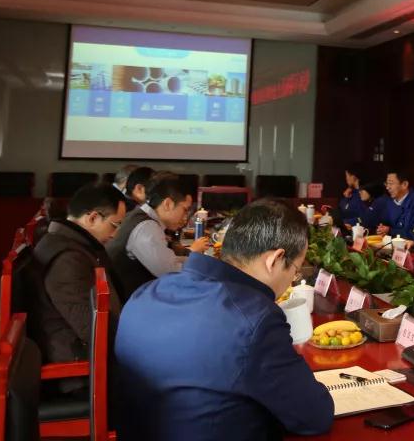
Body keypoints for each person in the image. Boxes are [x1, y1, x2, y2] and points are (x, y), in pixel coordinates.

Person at [114, 200, 334, 440]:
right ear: (275, 259)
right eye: (295, 269)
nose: (292, 278)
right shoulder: (255, 317)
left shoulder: (145, 293)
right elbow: (314, 416)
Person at [30, 182, 125, 392]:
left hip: (85, 353)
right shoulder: (68, 258)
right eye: (115, 225)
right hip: (78, 370)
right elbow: (91, 329)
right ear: (92, 218)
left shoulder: (69, 243)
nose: (116, 234)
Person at [107, 173, 208, 301]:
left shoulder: (142, 216)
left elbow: (169, 261)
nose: (186, 216)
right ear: (168, 204)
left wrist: (195, 259)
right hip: (130, 302)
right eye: (185, 209)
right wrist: (204, 265)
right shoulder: (146, 228)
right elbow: (171, 272)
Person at [375, 169, 414, 240]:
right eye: (387, 183)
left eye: (391, 183)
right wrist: (382, 229)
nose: (387, 187)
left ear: (404, 184)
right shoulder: (388, 201)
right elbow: (384, 223)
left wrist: (390, 231)